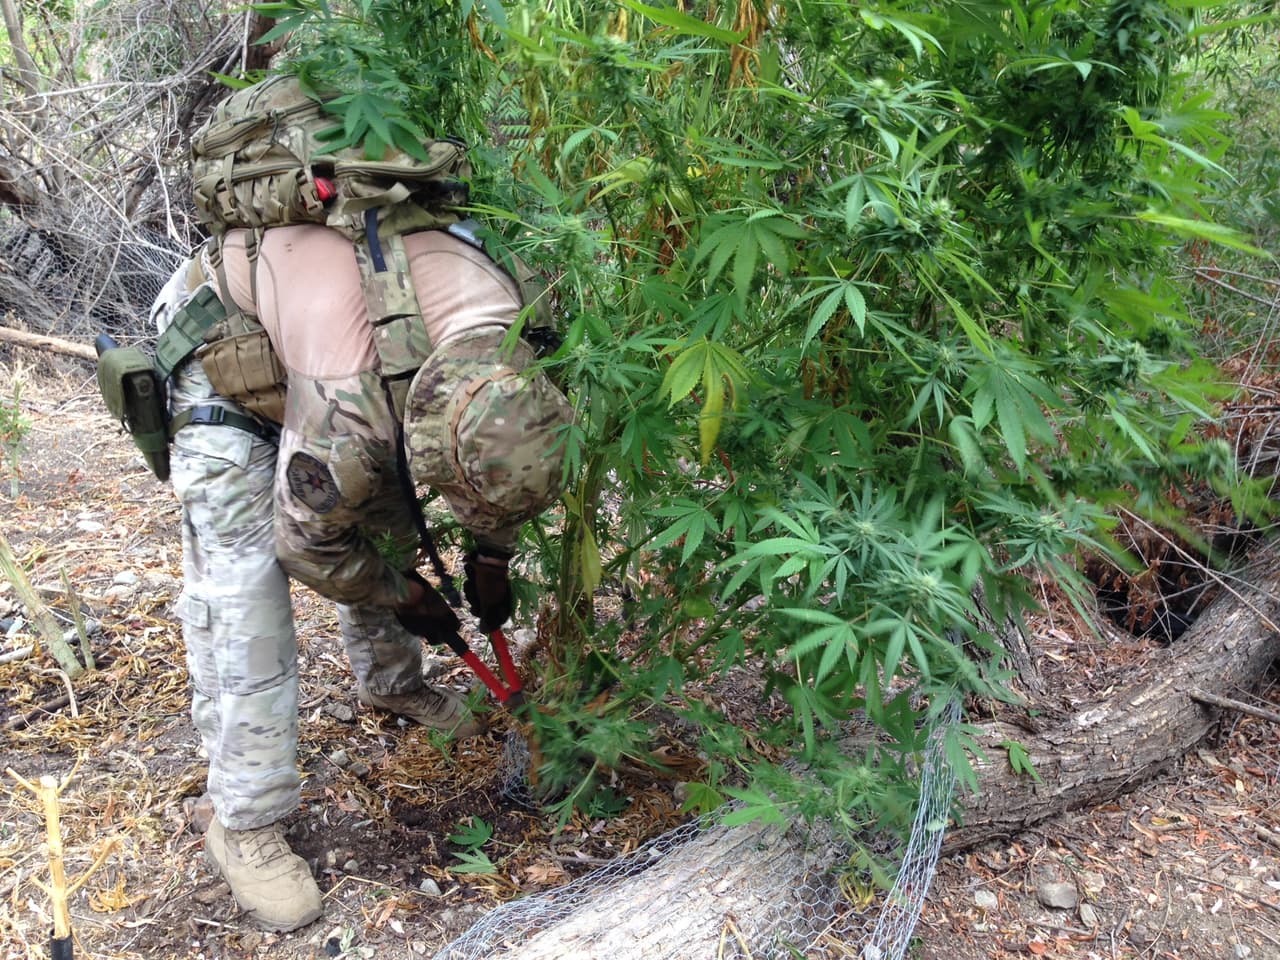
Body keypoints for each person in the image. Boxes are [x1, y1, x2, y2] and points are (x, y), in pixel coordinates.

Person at [152, 220, 571, 931]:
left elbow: (504, 461)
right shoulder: (349, 408)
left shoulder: (518, 339)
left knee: (391, 518)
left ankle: (392, 686)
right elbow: (307, 545)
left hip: (354, 351)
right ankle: (243, 818)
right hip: (226, 352)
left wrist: (491, 555)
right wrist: (401, 593)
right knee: (248, 593)